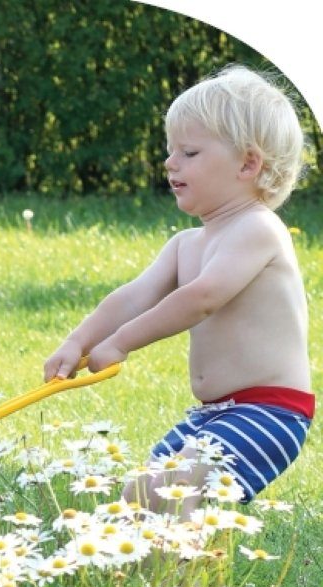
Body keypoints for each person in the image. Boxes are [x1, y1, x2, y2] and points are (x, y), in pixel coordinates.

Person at [43, 65, 312, 512]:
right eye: (171, 151)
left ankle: (187, 562)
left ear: (248, 164)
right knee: (140, 495)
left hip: (269, 409)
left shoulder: (258, 229)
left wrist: (121, 342)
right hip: (211, 412)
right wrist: (78, 342)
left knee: (179, 486)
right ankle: (164, 559)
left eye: (188, 152)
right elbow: (131, 297)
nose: (170, 163)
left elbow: (201, 298)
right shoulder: (185, 244)